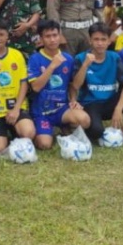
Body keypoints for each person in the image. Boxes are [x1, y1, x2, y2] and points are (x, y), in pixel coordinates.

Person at [72, 24, 123, 147]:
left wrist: (118, 109)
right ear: (90, 40)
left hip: (110, 101)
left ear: (109, 41)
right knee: (96, 132)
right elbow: (75, 86)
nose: (100, 43)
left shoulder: (114, 57)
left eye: (103, 39)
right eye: (96, 39)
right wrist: (85, 65)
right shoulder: (81, 58)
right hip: (90, 104)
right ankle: (79, 128)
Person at [27, 20, 91, 150]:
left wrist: (73, 100)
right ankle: (49, 130)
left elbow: (73, 85)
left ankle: (65, 127)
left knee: (85, 120)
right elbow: (36, 87)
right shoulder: (35, 58)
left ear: (60, 35)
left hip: (62, 109)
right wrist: (52, 66)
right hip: (41, 111)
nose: (52, 39)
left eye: (55, 35)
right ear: (41, 39)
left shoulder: (68, 58)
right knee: (44, 144)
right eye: (48, 36)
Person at [0, 20, 35, 154]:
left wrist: (16, 109)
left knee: (28, 133)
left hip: (15, 107)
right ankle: (0, 134)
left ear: (7, 36)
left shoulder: (17, 55)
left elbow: (23, 83)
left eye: (1, 34)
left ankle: (15, 131)